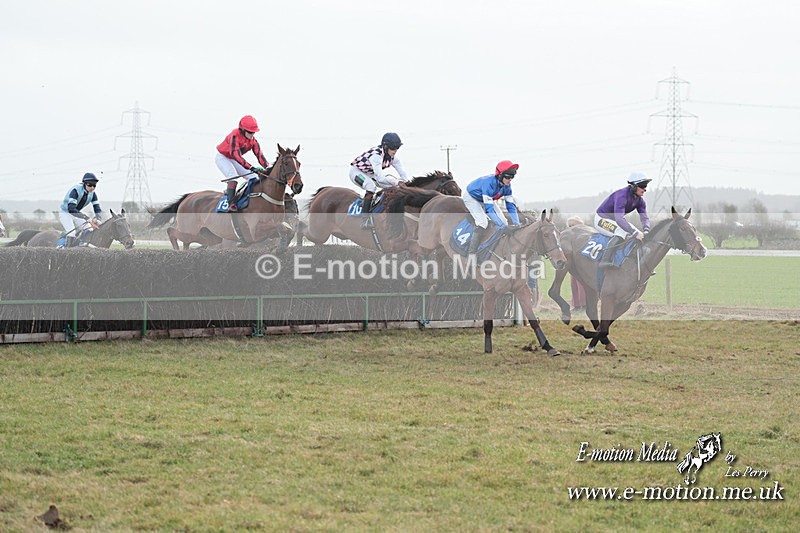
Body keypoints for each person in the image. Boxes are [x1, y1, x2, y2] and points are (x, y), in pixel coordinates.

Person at [350, 132, 409, 228]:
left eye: (397, 148)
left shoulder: (392, 158)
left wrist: (407, 183)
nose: (395, 151)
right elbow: (380, 179)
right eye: (393, 148)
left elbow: (402, 173)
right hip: (356, 172)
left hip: (370, 173)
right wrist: (397, 182)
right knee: (371, 187)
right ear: (385, 146)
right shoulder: (376, 156)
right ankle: (365, 220)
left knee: (394, 187)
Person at [463, 160, 521, 256]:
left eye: (512, 176)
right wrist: (502, 227)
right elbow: (489, 209)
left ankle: (497, 249)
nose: (510, 179)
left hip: (486, 198)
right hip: (472, 198)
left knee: (504, 222)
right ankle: (471, 253)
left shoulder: (507, 186)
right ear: (500, 175)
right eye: (508, 176)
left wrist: (516, 223)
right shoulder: (489, 183)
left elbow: (510, 206)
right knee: (483, 222)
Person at [594, 172, 652, 268]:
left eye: (645, 186)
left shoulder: (640, 201)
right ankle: (604, 260)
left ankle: (640, 263)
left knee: (639, 234)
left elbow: (644, 217)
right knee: (621, 232)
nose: (644, 189)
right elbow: (619, 219)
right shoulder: (621, 196)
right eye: (642, 186)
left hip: (615, 221)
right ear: (633, 186)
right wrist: (634, 232)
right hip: (601, 219)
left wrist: (646, 230)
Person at [216, 115, 271, 212]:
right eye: (250, 132)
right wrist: (251, 167)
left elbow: (259, 155)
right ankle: (231, 204)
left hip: (234, 159)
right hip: (223, 157)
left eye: (253, 132)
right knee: (233, 177)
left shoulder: (253, 141)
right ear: (242, 129)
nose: (252, 134)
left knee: (253, 178)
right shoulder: (234, 135)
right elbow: (236, 155)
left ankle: (246, 199)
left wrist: (268, 167)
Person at [57, 173, 104, 248]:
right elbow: (71, 209)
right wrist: (86, 217)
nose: (92, 188)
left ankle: (81, 245)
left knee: (89, 229)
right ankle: (66, 251)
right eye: (90, 185)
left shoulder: (93, 194)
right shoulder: (75, 190)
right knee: (72, 232)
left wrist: (98, 218)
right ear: (84, 183)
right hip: (66, 212)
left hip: (76, 213)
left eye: (94, 185)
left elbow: (97, 208)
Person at [566, 216, 587, 310]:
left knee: (581, 284)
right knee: (573, 284)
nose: (571, 227)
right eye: (570, 225)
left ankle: (584, 304)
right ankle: (576, 305)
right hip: (573, 262)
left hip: (582, 263)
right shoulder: (570, 236)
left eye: (573, 225)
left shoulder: (583, 235)